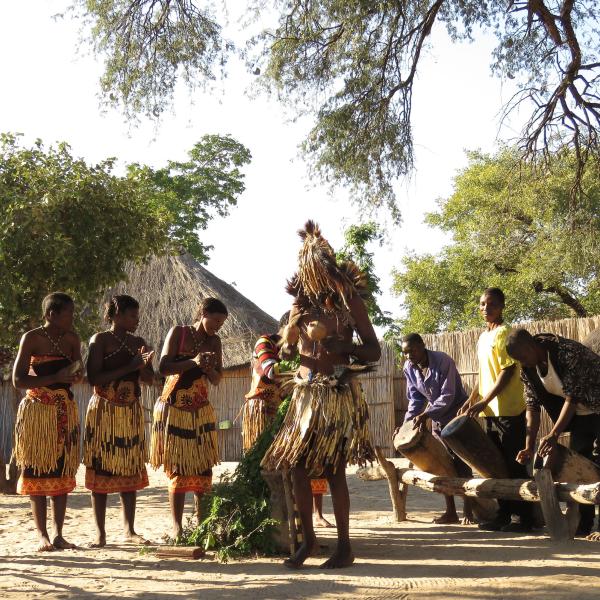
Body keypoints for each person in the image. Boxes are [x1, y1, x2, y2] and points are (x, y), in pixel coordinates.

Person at [262, 221, 381, 569]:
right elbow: (285, 355)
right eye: (308, 271)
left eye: (318, 270)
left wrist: (344, 345)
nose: (314, 278)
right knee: (296, 467)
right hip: (304, 398)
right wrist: (291, 331)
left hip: (336, 395)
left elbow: (373, 351)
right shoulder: (299, 306)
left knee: (333, 471)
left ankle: (344, 546)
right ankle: (308, 541)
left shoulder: (349, 302)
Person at [505, 328, 600, 539]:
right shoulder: (528, 369)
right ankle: (584, 524)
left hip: (594, 406)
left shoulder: (568, 352)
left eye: (522, 357)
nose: (522, 362)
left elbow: (572, 397)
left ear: (531, 347)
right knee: (579, 468)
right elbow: (532, 407)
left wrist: (554, 433)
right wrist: (529, 445)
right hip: (581, 416)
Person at [242, 314, 333, 528]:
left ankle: (316, 514)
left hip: (292, 409)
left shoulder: (307, 345)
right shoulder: (265, 342)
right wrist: (302, 365)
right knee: (265, 464)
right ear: (287, 326)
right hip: (264, 408)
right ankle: (266, 516)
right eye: (299, 329)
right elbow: (272, 372)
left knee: (311, 459)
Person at [150, 297, 227, 540]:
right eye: (215, 320)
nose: (217, 326)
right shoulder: (179, 332)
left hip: (200, 408)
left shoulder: (215, 342)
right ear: (203, 313)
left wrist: (208, 368)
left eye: (221, 323)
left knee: (203, 467)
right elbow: (163, 368)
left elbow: (216, 379)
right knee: (179, 467)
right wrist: (193, 362)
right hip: (175, 407)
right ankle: (177, 526)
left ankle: (202, 525)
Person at [458, 287, 534, 532]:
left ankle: (525, 518)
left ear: (501, 306)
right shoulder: (482, 338)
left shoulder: (505, 334)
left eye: (490, 305)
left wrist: (484, 400)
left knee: (514, 465)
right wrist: (472, 398)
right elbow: (484, 375)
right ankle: (504, 514)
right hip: (489, 411)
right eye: (482, 304)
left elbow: (506, 371)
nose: (485, 309)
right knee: (495, 465)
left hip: (509, 409)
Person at [12, 292, 83, 551]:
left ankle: (58, 534)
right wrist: (56, 376)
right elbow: (18, 381)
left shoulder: (72, 339)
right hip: (38, 413)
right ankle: (41, 534)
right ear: (51, 314)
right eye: (69, 313)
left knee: (62, 471)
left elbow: (79, 370)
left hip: (64, 410)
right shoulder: (31, 339)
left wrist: (73, 377)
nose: (72, 318)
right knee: (38, 470)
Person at [84, 295, 154, 547]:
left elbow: (149, 379)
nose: (137, 320)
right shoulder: (100, 340)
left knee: (129, 466)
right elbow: (94, 378)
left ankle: (129, 530)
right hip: (105, 411)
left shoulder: (138, 342)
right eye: (132, 315)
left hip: (130, 411)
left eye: (137, 315)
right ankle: (100, 533)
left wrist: (144, 366)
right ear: (116, 315)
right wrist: (131, 365)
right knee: (101, 468)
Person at [400, 333, 473, 524]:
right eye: (405, 353)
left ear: (423, 346)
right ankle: (451, 512)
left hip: (457, 417)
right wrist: (405, 426)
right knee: (442, 464)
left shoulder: (443, 361)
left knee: (462, 461)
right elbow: (415, 400)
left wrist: (427, 414)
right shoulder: (409, 367)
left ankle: (469, 509)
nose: (409, 356)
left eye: (412, 350)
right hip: (436, 419)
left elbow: (448, 395)